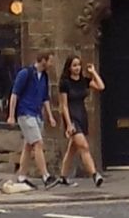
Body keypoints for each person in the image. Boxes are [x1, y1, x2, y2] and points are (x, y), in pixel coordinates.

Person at [52, 55, 104, 187]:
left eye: (79, 65)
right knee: (84, 146)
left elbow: (101, 86)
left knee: (72, 149)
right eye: (74, 65)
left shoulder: (84, 81)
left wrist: (93, 72)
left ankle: (63, 176)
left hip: (82, 114)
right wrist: (68, 124)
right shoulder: (65, 83)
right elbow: (63, 105)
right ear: (69, 67)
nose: (77, 68)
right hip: (72, 116)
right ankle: (95, 174)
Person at [7, 51, 53, 188]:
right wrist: (11, 115)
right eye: (50, 61)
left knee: (28, 145)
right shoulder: (25, 73)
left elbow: (45, 98)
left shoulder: (44, 76)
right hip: (25, 113)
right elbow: (14, 94)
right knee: (38, 143)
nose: (51, 64)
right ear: (43, 60)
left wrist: (50, 116)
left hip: (37, 114)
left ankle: (21, 176)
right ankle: (46, 176)